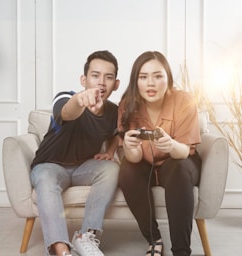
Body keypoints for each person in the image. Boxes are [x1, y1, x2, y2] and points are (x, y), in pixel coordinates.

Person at [30, 50, 120, 256]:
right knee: (44, 177)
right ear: (83, 79)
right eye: (95, 75)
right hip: (49, 165)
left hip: (82, 168)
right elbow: (66, 112)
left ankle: (85, 236)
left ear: (116, 84)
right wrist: (80, 100)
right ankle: (60, 249)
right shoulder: (66, 97)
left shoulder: (114, 112)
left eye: (109, 77)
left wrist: (111, 151)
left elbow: (117, 134)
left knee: (111, 168)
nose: (102, 82)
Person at [117, 51, 202, 256]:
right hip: (145, 163)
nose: (151, 83)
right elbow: (135, 159)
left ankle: (182, 251)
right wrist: (130, 148)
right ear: (136, 80)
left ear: (168, 78)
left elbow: (184, 152)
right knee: (126, 169)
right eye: (143, 77)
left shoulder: (184, 100)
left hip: (178, 160)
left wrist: (171, 144)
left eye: (158, 76)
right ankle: (154, 240)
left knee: (179, 168)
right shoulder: (127, 105)